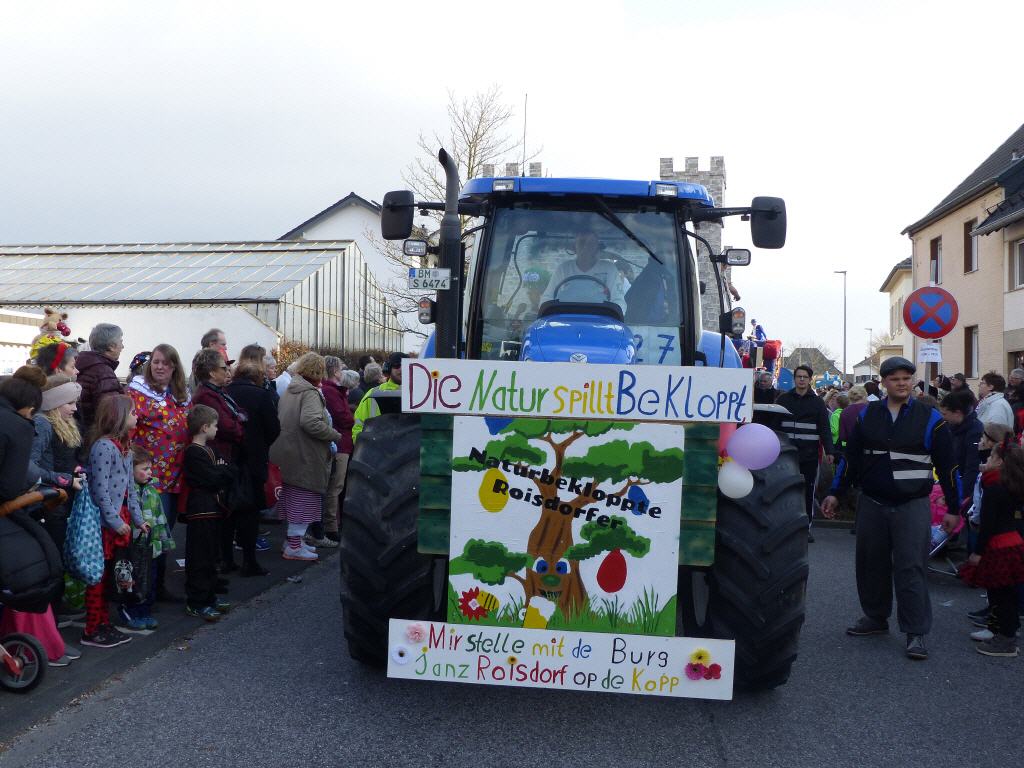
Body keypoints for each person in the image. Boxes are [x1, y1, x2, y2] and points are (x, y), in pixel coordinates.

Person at [823, 356, 959, 661]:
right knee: (871, 564)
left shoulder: (930, 417)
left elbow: (948, 466)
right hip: (872, 502)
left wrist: (953, 507)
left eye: (906, 378)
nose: (902, 383)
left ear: (912, 381)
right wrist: (835, 493)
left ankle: (915, 632)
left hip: (912, 504)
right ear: (884, 382)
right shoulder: (867, 414)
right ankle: (875, 618)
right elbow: (851, 459)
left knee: (911, 568)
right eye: (895, 379)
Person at [81, 394, 147, 649]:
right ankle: (92, 628)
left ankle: (104, 622)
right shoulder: (103, 447)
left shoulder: (126, 448)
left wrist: (138, 519)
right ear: (119, 417)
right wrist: (113, 520)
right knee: (98, 576)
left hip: (121, 519)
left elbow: (130, 488)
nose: (136, 416)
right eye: (133, 413)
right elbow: (100, 490)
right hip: (105, 524)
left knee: (112, 575)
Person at [128, 343, 190, 601]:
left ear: (174, 366)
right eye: (156, 362)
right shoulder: (138, 393)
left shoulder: (179, 395)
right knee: (150, 536)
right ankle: (144, 592)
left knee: (165, 534)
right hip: (152, 480)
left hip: (176, 477)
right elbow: (128, 432)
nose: (160, 367)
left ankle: (158, 587)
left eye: (166, 362)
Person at [269, 352, 341, 561]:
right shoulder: (309, 392)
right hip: (305, 454)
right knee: (304, 500)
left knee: (293, 499)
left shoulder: (291, 388)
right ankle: (294, 546)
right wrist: (334, 435)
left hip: (288, 452)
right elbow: (310, 422)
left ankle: (293, 542)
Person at [959, 435, 1024, 657]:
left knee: (1000, 594)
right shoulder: (1012, 484)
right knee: (1007, 593)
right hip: (1013, 542)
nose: (987, 459)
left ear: (1000, 462)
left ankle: (1006, 640)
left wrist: (978, 552)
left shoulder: (994, 487)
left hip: (999, 545)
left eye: (991, 457)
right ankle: (1005, 631)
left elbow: (988, 525)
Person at [191, 348, 247, 573]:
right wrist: (239, 425)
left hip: (226, 454)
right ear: (212, 372)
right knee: (219, 513)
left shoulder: (220, 392)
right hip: (217, 456)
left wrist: (239, 422)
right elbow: (229, 426)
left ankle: (224, 559)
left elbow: (241, 415)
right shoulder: (207, 395)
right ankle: (218, 562)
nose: (228, 371)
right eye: (224, 367)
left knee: (227, 513)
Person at [226, 356, 281, 575]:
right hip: (254, 458)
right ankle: (249, 561)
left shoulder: (225, 392)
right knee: (250, 512)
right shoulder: (261, 395)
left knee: (228, 510)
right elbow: (274, 428)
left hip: (230, 457)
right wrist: (261, 444)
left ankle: (227, 559)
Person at [181, 404, 233, 622]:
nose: (217, 429)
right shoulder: (193, 452)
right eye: (214, 425)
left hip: (214, 508)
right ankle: (196, 601)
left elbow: (228, 470)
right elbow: (213, 477)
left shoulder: (211, 450)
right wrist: (221, 470)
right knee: (200, 557)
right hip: (200, 510)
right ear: (204, 427)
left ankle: (210, 597)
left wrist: (221, 470)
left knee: (212, 556)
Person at [775, 364, 836, 542]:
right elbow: (774, 425)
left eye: (805, 377)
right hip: (785, 455)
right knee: (784, 491)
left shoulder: (817, 403)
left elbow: (824, 428)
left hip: (809, 456)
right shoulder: (783, 400)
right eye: (798, 376)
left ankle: (805, 528)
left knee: (808, 493)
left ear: (810, 380)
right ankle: (784, 527)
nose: (801, 379)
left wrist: (830, 451)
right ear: (794, 379)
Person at [118, 447, 173, 630]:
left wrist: (164, 541)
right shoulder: (127, 492)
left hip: (151, 547)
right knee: (132, 582)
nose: (149, 472)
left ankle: (145, 611)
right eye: (144, 469)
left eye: (150, 468)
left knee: (149, 581)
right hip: (133, 548)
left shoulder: (151, 491)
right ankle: (130, 612)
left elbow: (160, 518)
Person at [317, 357, 355, 546]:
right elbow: (343, 417)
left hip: (340, 442)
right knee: (335, 487)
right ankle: (331, 527)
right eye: (340, 368)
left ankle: (331, 524)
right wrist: (351, 417)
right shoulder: (331, 391)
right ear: (334, 371)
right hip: (340, 443)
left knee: (334, 486)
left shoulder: (330, 390)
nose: (343, 371)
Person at [540, 230, 627, 311]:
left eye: (591, 244)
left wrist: (611, 315)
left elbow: (618, 301)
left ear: (597, 247)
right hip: (567, 317)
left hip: (600, 318)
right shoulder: (563, 269)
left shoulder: (609, 269)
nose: (586, 247)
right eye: (582, 243)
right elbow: (547, 298)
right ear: (574, 247)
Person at [939, 389, 984, 514]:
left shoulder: (974, 432)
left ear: (957, 413)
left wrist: (958, 496)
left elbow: (972, 468)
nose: (943, 417)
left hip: (963, 492)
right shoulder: (953, 427)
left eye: (945, 414)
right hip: (953, 485)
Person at [76, 323, 125, 431]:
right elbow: (111, 414)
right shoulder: (103, 372)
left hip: (80, 430)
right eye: (121, 342)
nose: (122, 347)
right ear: (111, 346)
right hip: (95, 433)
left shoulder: (83, 365)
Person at [352, 353, 405, 443]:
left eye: (405, 365)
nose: (401, 369)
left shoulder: (419, 396)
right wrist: (361, 446)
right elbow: (358, 425)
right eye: (397, 365)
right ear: (388, 368)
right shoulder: (373, 394)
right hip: (377, 449)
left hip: (411, 450)